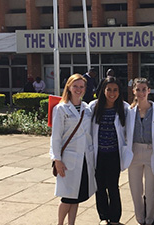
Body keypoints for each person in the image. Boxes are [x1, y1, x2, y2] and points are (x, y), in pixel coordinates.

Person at [50, 74, 97, 225]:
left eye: (81, 87)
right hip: (67, 159)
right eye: (75, 86)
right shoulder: (61, 108)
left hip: (84, 158)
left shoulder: (86, 108)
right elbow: (56, 137)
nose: (78, 89)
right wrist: (57, 159)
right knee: (67, 197)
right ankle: (60, 223)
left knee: (76, 195)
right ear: (69, 87)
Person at [90, 77, 131, 225]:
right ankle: (103, 217)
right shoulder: (93, 107)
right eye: (109, 90)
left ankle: (114, 218)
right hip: (98, 154)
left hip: (114, 154)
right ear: (103, 91)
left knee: (113, 186)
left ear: (119, 92)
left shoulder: (125, 109)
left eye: (115, 90)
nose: (112, 93)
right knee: (99, 187)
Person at [126, 78, 154, 225]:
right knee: (136, 191)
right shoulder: (129, 111)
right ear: (133, 91)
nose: (141, 92)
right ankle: (140, 220)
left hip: (151, 152)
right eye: (138, 89)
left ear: (149, 91)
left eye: (144, 89)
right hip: (134, 152)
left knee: (150, 192)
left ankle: (149, 220)